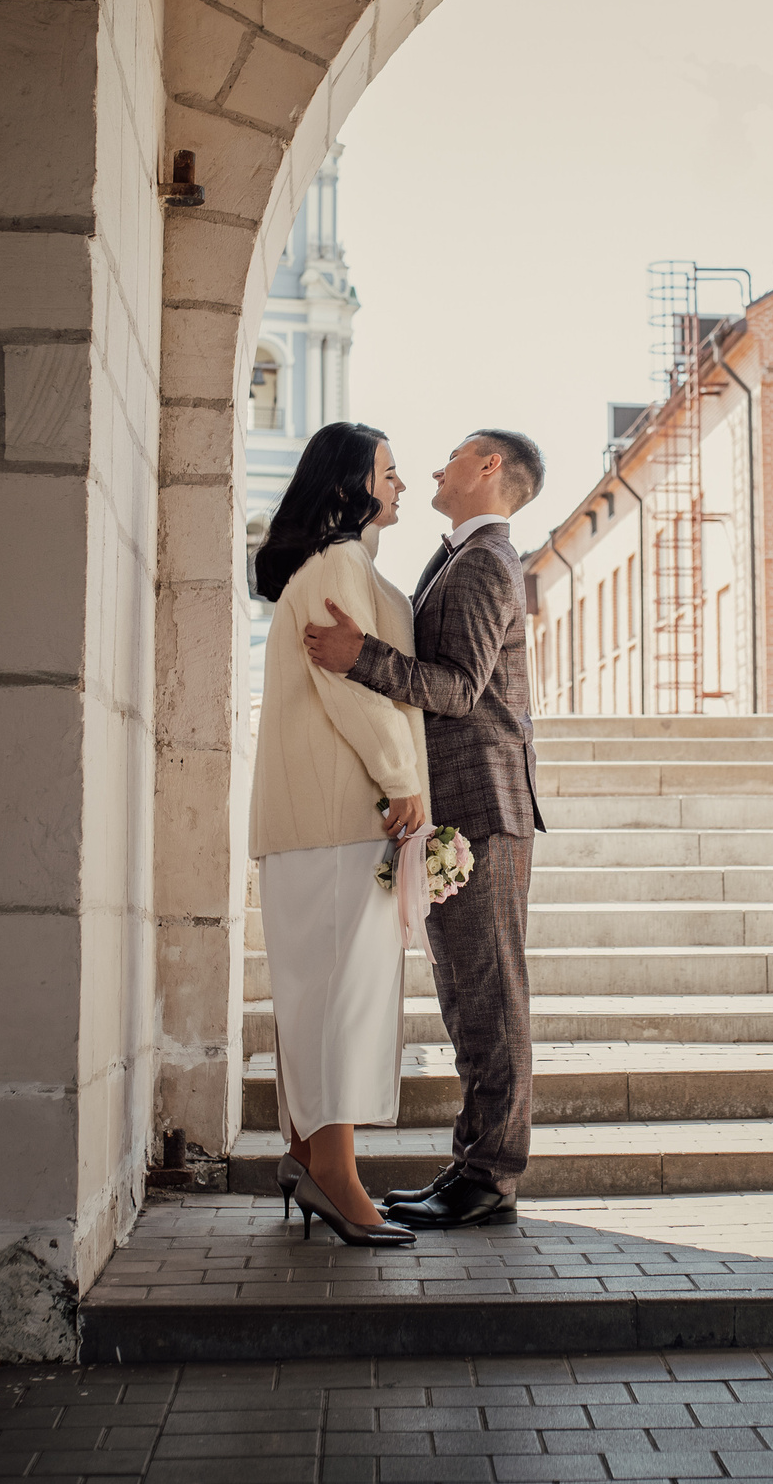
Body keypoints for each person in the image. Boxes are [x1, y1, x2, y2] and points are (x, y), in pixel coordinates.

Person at [304, 429, 546, 1229]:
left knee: (490, 995)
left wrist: (358, 654)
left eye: (453, 455)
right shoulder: (461, 556)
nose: (436, 468)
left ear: (488, 469)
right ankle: (474, 1169)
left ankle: (489, 1180)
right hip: (462, 809)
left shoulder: (483, 560)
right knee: (467, 994)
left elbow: (457, 687)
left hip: (483, 805)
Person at [249, 421, 428, 1248]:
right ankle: (336, 1177)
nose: (399, 482)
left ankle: (305, 1156)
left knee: (318, 998)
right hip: (333, 817)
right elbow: (350, 687)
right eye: (389, 471)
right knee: (341, 1004)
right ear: (354, 482)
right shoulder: (338, 564)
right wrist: (402, 778)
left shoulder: (334, 566)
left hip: (313, 823)